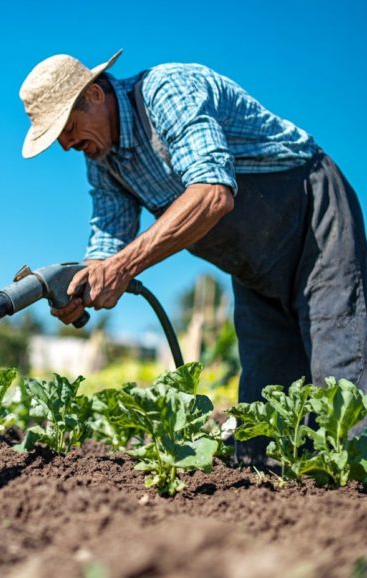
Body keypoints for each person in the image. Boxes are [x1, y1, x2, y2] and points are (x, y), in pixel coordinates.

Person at [19, 49, 367, 460]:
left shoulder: (166, 92)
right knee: (266, 421)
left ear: (95, 95)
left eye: (68, 127)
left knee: (341, 374)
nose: (65, 144)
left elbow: (212, 194)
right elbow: (108, 240)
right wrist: (80, 285)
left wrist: (124, 266)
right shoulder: (102, 159)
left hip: (312, 217)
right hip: (254, 262)